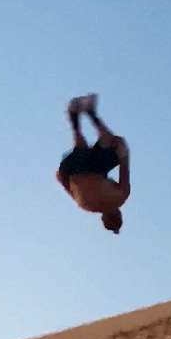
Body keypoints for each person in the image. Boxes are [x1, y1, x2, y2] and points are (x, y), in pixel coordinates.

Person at [56, 93, 130, 234]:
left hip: (92, 170)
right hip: (71, 170)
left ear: (119, 214)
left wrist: (120, 147)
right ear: (103, 218)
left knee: (114, 145)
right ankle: (74, 120)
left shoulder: (121, 197)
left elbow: (124, 164)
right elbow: (60, 178)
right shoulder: (86, 206)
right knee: (81, 150)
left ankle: (90, 112)